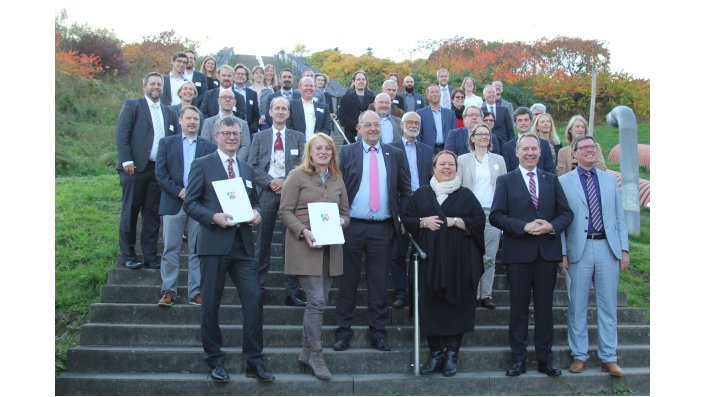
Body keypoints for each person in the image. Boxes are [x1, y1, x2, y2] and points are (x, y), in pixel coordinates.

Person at [182, 116, 274, 383]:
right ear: (216, 136)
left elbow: (255, 201)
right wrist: (213, 217)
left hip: (243, 246)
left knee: (254, 300)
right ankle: (214, 361)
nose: (232, 137)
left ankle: (254, 362)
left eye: (236, 133)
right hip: (214, 244)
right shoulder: (202, 165)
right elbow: (190, 203)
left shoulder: (245, 168)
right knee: (210, 305)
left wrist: (256, 212)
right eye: (226, 133)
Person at [489, 134, 573, 378]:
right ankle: (518, 360)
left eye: (534, 149)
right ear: (516, 152)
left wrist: (550, 226)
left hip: (546, 254)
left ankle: (545, 360)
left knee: (545, 311)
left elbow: (566, 214)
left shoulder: (551, 180)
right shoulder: (506, 180)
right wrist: (522, 227)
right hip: (518, 254)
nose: (530, 153)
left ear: (540, 152)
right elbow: (496, 215)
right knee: (518, 311)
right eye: (525, 149)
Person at [401, 150, 485, 377]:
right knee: (429, 307)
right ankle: (435, 353)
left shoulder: (466, 195)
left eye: (451, 164)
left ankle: (451, 355)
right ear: (433, 168)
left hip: (460, 264)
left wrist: (456, 221)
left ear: (457, 169)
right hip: (429, 264)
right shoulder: (421, 195)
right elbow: (406, 220)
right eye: (442, 164)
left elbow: (479, 222)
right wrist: (422, 221)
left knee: (457, 308)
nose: (447, 167)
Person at [334, 110, 411, 352]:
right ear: (358, 128)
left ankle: (378, 333)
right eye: (367, 125)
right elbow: (334, 186)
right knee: (347, 282)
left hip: (383, 229)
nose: (372, 129)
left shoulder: (395, 154)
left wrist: (403, 218)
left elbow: (405, 190)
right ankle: (343, 333)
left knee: (379, 284)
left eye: (376, 125)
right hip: (351, 227)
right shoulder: (347, 152)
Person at [278, 133, 351, 380]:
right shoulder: (296, 176)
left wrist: (342, 221)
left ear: (332, 153)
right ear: (309, 151)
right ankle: (317, 355)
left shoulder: (337, 178)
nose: (323, 152)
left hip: (330, 248)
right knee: (317, 301)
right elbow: (285, 211)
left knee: (317, 303)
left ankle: (305, 352)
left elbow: (346, 214)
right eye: (318, 148)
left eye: (328, 149)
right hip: (305, 246)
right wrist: (303, 231)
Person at [558, 135, 630, 377]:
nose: (589, 150)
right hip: (579, 249)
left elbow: (619, 216)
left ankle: (608, 357)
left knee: (608, 305)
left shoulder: (610, 181)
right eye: (584, 148)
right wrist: (563, 252)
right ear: (574, 153)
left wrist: (624, 249)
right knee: (577, 305)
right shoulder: (564, 181)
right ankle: (579, 355)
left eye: (593, 147)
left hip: (607, 248)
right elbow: (560, 220)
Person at [155, 105, 217, 307]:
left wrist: (195, 194)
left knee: (196, 249)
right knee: (170, 248)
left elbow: (211, 176)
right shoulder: (166, 143)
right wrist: (180, 191)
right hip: (174, 202)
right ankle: (168, 291)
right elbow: (161, 174)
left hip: (198, 205)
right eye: (188, 118)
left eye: (196, 119)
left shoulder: (209, 147)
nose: (192, 122)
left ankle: (195, 292)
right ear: (180, 121)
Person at [248, 97, 307, 306]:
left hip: (292, 194)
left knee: (291, 243)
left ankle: (292, 292)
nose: (280, 112)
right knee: (262, 243)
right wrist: (271, 182)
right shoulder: (260, 136)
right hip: (266, 193)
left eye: (284, 108)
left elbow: (303, 165)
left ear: (289, 113)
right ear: (270, 112)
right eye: (277, 108)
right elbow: (252, 166)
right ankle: (258, 289)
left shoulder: (299, 137)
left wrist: (285, 182)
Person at [116, 72, 178, 270]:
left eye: (159, 84)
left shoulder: (168, 111)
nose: (156, 87)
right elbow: (122, 133)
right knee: (130, 212)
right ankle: (128, 255)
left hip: (157, 170)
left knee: (152, 216)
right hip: (134, 168)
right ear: (144, 86)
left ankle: (150, 257)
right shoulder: (132, 105)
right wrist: (127, 159)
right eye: (152, 84)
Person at [457, 124, 507, 310]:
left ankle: (485, 295)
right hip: (469, 214)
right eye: (480, 134)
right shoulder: (462, 160)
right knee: (469, 256)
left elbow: (503, 189)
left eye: (487, 134)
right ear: (472, 137)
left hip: (492, 213)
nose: (484, 137)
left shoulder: (499, 160)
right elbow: (459, 187)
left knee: (489, 257)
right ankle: (469, 293)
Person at [389, 111, 434, 309]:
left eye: (417, 122)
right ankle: (401, 293)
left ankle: (419, 291)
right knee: (398, 252)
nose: (414, 125)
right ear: (402, 125)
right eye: (410, 122)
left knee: (422, 251)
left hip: (423, 204)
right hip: (400, 204)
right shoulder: (391, 149)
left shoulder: (427, 149)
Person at [200, 90, 251, 162]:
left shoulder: (243, 124)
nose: (227, 100)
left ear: (235, 102)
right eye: (224, 97)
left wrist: (234, 160)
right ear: (218, 101)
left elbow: (245, 145)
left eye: (230, 98)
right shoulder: (208, 122)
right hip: (214, 163)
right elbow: (204, 144)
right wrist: (215, 160)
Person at [502, 107, 555, 173]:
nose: (523, 123)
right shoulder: (507, 147)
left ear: (531, 121)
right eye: (520, 120)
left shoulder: (544, 144)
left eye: (526, 120)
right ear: (515, 123)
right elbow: (507, 171)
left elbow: (550, 170)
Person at [337, 70, 376, 143]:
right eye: (358, 79)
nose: (361, 81)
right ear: (354, 82)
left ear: (366, 82)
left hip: (369, 138)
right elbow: (342, 119)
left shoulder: (373, 99)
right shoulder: (345, 98)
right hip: (350, 138)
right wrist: (358, 126)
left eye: (363, 79)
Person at [418, 83, 456, 152]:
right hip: (427, 150)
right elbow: (419, 134)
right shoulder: (420, 113)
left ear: (440, 94)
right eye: (432, 92)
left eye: (437, 92)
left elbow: (454, 134)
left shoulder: (450, 113)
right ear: (427, 96)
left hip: (447, 150)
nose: (435, 94)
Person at [232, 64, 260, 135]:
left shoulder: (252, 93)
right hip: (229, 128)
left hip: (247, 130)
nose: (240, 76)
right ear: (233, 76)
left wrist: (253, 128)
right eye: (238, 74)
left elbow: (256, 113)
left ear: (246, 77)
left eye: (243, 74)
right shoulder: (228, 91)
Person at [249, 65, 274, 131]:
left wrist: (263, 118)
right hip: (251, 123)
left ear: (264, 76)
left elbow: (271, 107)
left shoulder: (269, 91)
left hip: (265, 123)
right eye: (256, 73)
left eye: (261, 73)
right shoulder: (248, 90)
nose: (259, 75)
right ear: (252, 75)